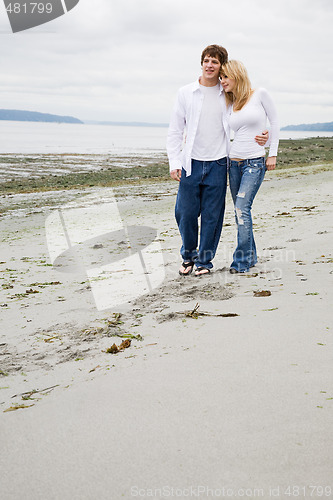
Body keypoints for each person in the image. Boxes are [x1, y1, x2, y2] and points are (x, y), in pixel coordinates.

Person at [167, 45, 269, 276]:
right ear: (201, 63)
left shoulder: (229, 95)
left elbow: (253, 114)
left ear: (221, 67)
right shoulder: (186, 93)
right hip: (190, 162)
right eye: (207, 60)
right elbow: (175, 130)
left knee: (213, 216)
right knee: (185, 212)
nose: (210, 65)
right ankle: (188, 256)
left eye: (215, 62)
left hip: (219, 163)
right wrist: (174, 162)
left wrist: (266, 133)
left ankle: (204, 262)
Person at [220, 60, 279, 273]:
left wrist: (271, 151)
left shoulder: (259, 94)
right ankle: (251, 257)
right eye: (221, 78)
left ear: (237, 75)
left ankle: (241, 262)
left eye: (226, 76)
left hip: (254, 162)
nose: (223, 81)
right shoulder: (229, 103)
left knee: (241, 208)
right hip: (233, 164)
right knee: (241, 211)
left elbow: (275, 121)